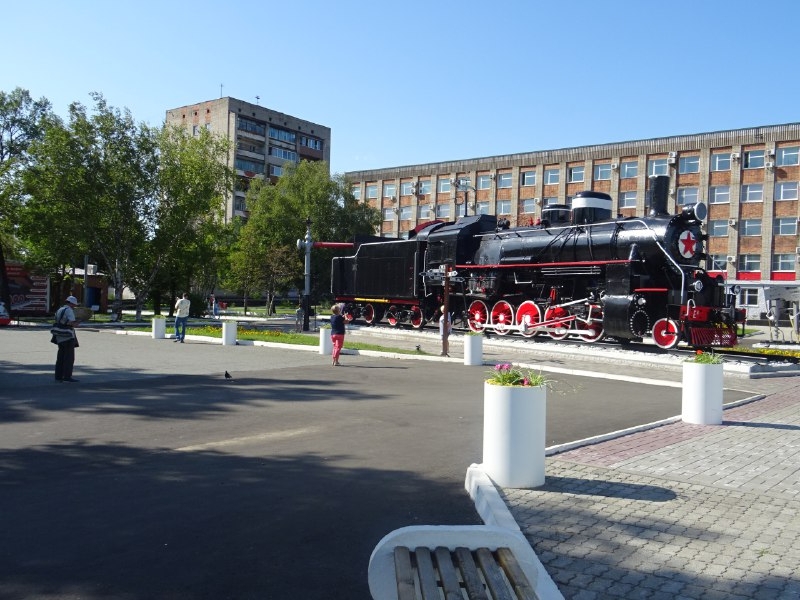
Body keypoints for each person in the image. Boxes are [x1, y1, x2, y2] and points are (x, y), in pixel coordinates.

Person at [52, 295, 80, 382]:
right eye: (74, 304)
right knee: (69, 357)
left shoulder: (60, 309)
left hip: (59, 335)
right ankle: (67, 376)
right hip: (67, 336)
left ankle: (58, 376)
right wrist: (78, 322)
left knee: (60, 357)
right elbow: (72, 323)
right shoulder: (69, 311)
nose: (74, 306)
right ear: (71, 303)